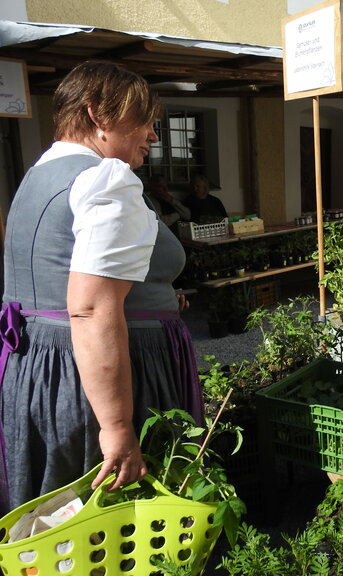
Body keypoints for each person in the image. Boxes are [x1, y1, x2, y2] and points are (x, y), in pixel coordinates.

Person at [0, 61, 203, 514]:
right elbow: (90, 310)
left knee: (58, 510)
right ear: (98, 115)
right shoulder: (104, 179)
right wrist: (115, 425)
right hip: (97, 375)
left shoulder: (39, 177)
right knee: (115, 509)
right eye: (145, 120)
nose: (153, 135)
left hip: (39, 367)